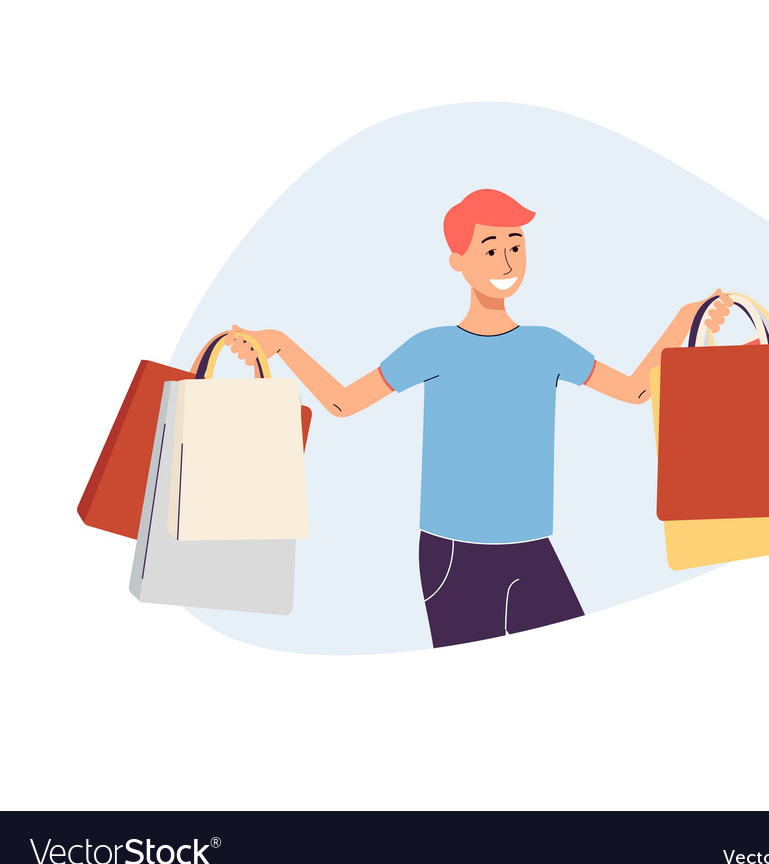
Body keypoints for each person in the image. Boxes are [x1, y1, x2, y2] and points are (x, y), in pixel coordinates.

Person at [227, 189, 732, 647]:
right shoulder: (433, 348)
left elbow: (637, 389)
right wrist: (281, 345)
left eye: (515, 245)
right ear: (459, 261)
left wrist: (682, 318)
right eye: (490, 249)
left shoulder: (546, 345)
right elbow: (341, 403)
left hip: (533, 548)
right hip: (454, 554)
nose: (506, 260)